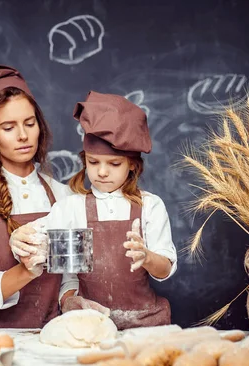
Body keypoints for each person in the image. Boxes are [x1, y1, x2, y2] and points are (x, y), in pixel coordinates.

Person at [11, 91, 178, 329]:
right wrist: (21, 240)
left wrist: (147, 257)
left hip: (145, 323)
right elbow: (43, 253)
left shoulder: (150, 206)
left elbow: (165, 269)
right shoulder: (72, 208)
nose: (101, 172)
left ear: (132, 164)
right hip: (91, 324)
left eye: (114, 164)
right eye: (93, 162)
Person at [0, 65, 73, 328]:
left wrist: (71, 299)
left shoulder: (63, 194)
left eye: (30, 124)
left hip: (52, 338)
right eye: (8, 127)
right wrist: (26, 270)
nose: (23, 135)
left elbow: (69, 277)